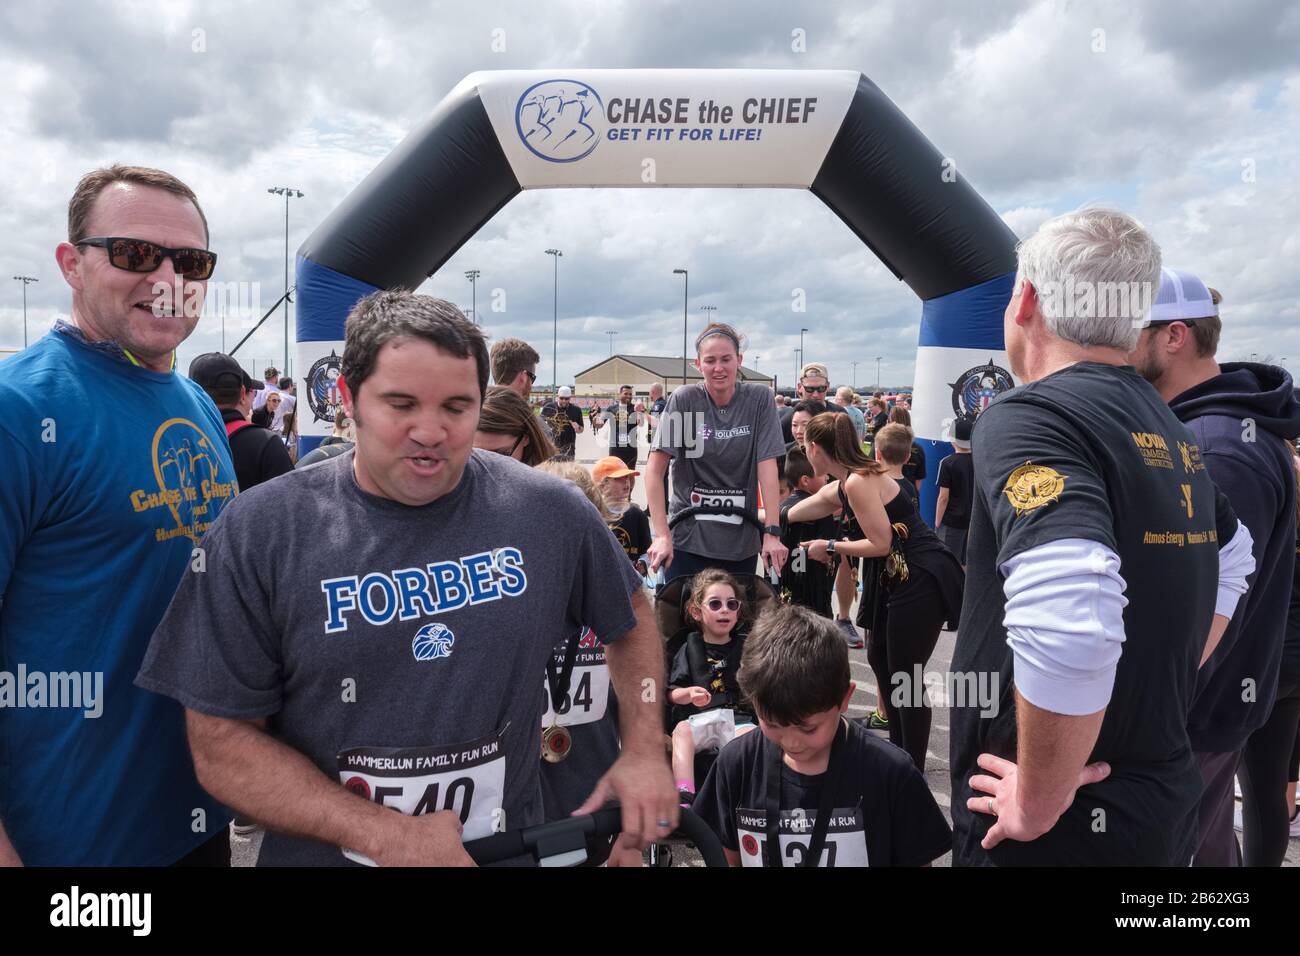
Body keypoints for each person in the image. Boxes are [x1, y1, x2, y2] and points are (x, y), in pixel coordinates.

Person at [135, 291, 678, 866]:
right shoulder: (260, 532)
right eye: (401, 404)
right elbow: (222, 745)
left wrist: (642, 747)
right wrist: (381, 833)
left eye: (455, 407)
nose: (431, 430)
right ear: (348, 399)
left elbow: (632, 613)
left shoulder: (547, 511)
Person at [949, 208, 1256, 866]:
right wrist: (1150, 684)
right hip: (1154, 802)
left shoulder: (1027, 414)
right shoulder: (1164, 422)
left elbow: (1072, 612)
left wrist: (1037, 794)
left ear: (1025, 300)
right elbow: (1234, 555)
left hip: (1053, 828)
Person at [0, 164, 236, 866]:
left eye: (189, 261)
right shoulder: (20, 411)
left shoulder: (196, 407)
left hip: (200, 819)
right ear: (71, 264)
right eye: (135, 253)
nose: (167, 277)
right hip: (69, 846)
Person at [1128, 270, 1300, 866]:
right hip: (1202, 711)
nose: (1116, 346)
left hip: (1192, 714)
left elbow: (1211, 606)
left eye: (1130, 331)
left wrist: (1140, 712)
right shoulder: (1206, 429)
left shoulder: (1218, 445)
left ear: (1174, 336)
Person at [695, 604, 951, 867]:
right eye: (772, 723)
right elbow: (725, 857)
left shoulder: (891, 772)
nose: (792, 742)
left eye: (809, 728)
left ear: (844, 699)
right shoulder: (736, 764)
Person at [792, 414, 964, 771]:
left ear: (813, 448)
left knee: (905, 675)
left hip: (922, 575)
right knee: (881, 660)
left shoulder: (858, 482)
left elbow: (881, 543)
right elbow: (818, 502)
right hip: (901, 577)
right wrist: (775, 521)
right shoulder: (852, 478)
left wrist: (831, 544)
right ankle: (900, 756)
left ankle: (910, 769)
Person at [533, 460, 640, 867]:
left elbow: (637, 710)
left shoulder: (620, 607)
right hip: (522, 806)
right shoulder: (505, 603)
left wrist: (632, 832)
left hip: (596, 799)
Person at [645, 322, 788, 583]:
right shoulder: (686, 400)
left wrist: (772, 533)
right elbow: (654, 472)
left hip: (739, 541)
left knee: (735, 618)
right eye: (710, 360)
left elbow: (767, 468)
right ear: (698, 364)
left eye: (726, 359)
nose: (718, 368)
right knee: (684, 618)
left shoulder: (758, 400)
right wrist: (662, 535)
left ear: (739, 360)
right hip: (688, 539)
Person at [668, 569, 758, 805]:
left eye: (732, 604)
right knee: (681, 731)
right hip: (700, 720)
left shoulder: (748, 648)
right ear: (696, 612)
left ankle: (741, 799)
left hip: (737, 720)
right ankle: (685, 793)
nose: (725, 610)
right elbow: (672, 693)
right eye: (715, 604)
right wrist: (687, 694)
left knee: (751, 738)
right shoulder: (689, 649)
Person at [189, 352, 294, 492]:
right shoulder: (266, 443)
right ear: (243, 393)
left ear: (191, 392)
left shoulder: (177, 441)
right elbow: (292, 503)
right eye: (253, 393)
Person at [778, 450, 837, 618]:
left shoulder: (781, 507)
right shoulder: (820, 510)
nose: (827, 478)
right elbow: (828, 552)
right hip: (813, 585)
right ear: (805, 480)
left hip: (784, 584)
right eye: (822, 474)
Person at [593, 456, 652, 576]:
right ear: (603, 485)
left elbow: (647, 550)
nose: (626, 481)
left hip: (630, 581)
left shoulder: (636, 514)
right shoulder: (593, 513)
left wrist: (643, 563)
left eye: (627, 477)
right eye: (619, 478)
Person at [474, 385, 556, 466]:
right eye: (477, 455)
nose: (487, 467)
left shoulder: (551, 474)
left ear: (526, 437)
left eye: (501, 455)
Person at [934, 418, 974, 566]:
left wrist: (938, 522)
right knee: (965, 561)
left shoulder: (947, 463)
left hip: (951, 522)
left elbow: (943, 498)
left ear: (952, 439)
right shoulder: (978, 461)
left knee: (948, 561)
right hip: (972, 520)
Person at [778, 362, 844, 444]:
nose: (815, 395)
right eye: (809, 389)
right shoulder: (788, 419)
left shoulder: (839, 414)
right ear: (799, 387)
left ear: (828, 386)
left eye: (821, 388)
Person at [597, 384, 642, 471]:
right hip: (615, 448)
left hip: (631, 448)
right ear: (620, 394)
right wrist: (595, 419)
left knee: (630, 474)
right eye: (626, 393)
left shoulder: (634, 408)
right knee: (614, 473)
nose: (628, 396)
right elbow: (600, 424)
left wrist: (639, 411)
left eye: (630, 394)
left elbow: (640, 423)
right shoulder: (611, 408)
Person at [887, 406, 926, 493]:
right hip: (910, 494)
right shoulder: (918, 448)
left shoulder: (883, 446)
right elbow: (919, 479)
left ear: (890, 422)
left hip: (887, 494)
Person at [541, 386, 584, 460]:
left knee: (568, 471)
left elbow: (581, 430)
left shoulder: (576, 410)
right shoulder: (549, 407)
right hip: (552, 447)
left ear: (570, 398)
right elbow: (540, 423)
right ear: (558, 397)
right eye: (561, 398)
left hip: (569, 449)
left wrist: (578, 428)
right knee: (551, 470)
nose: (564, 401)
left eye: (567, 399)